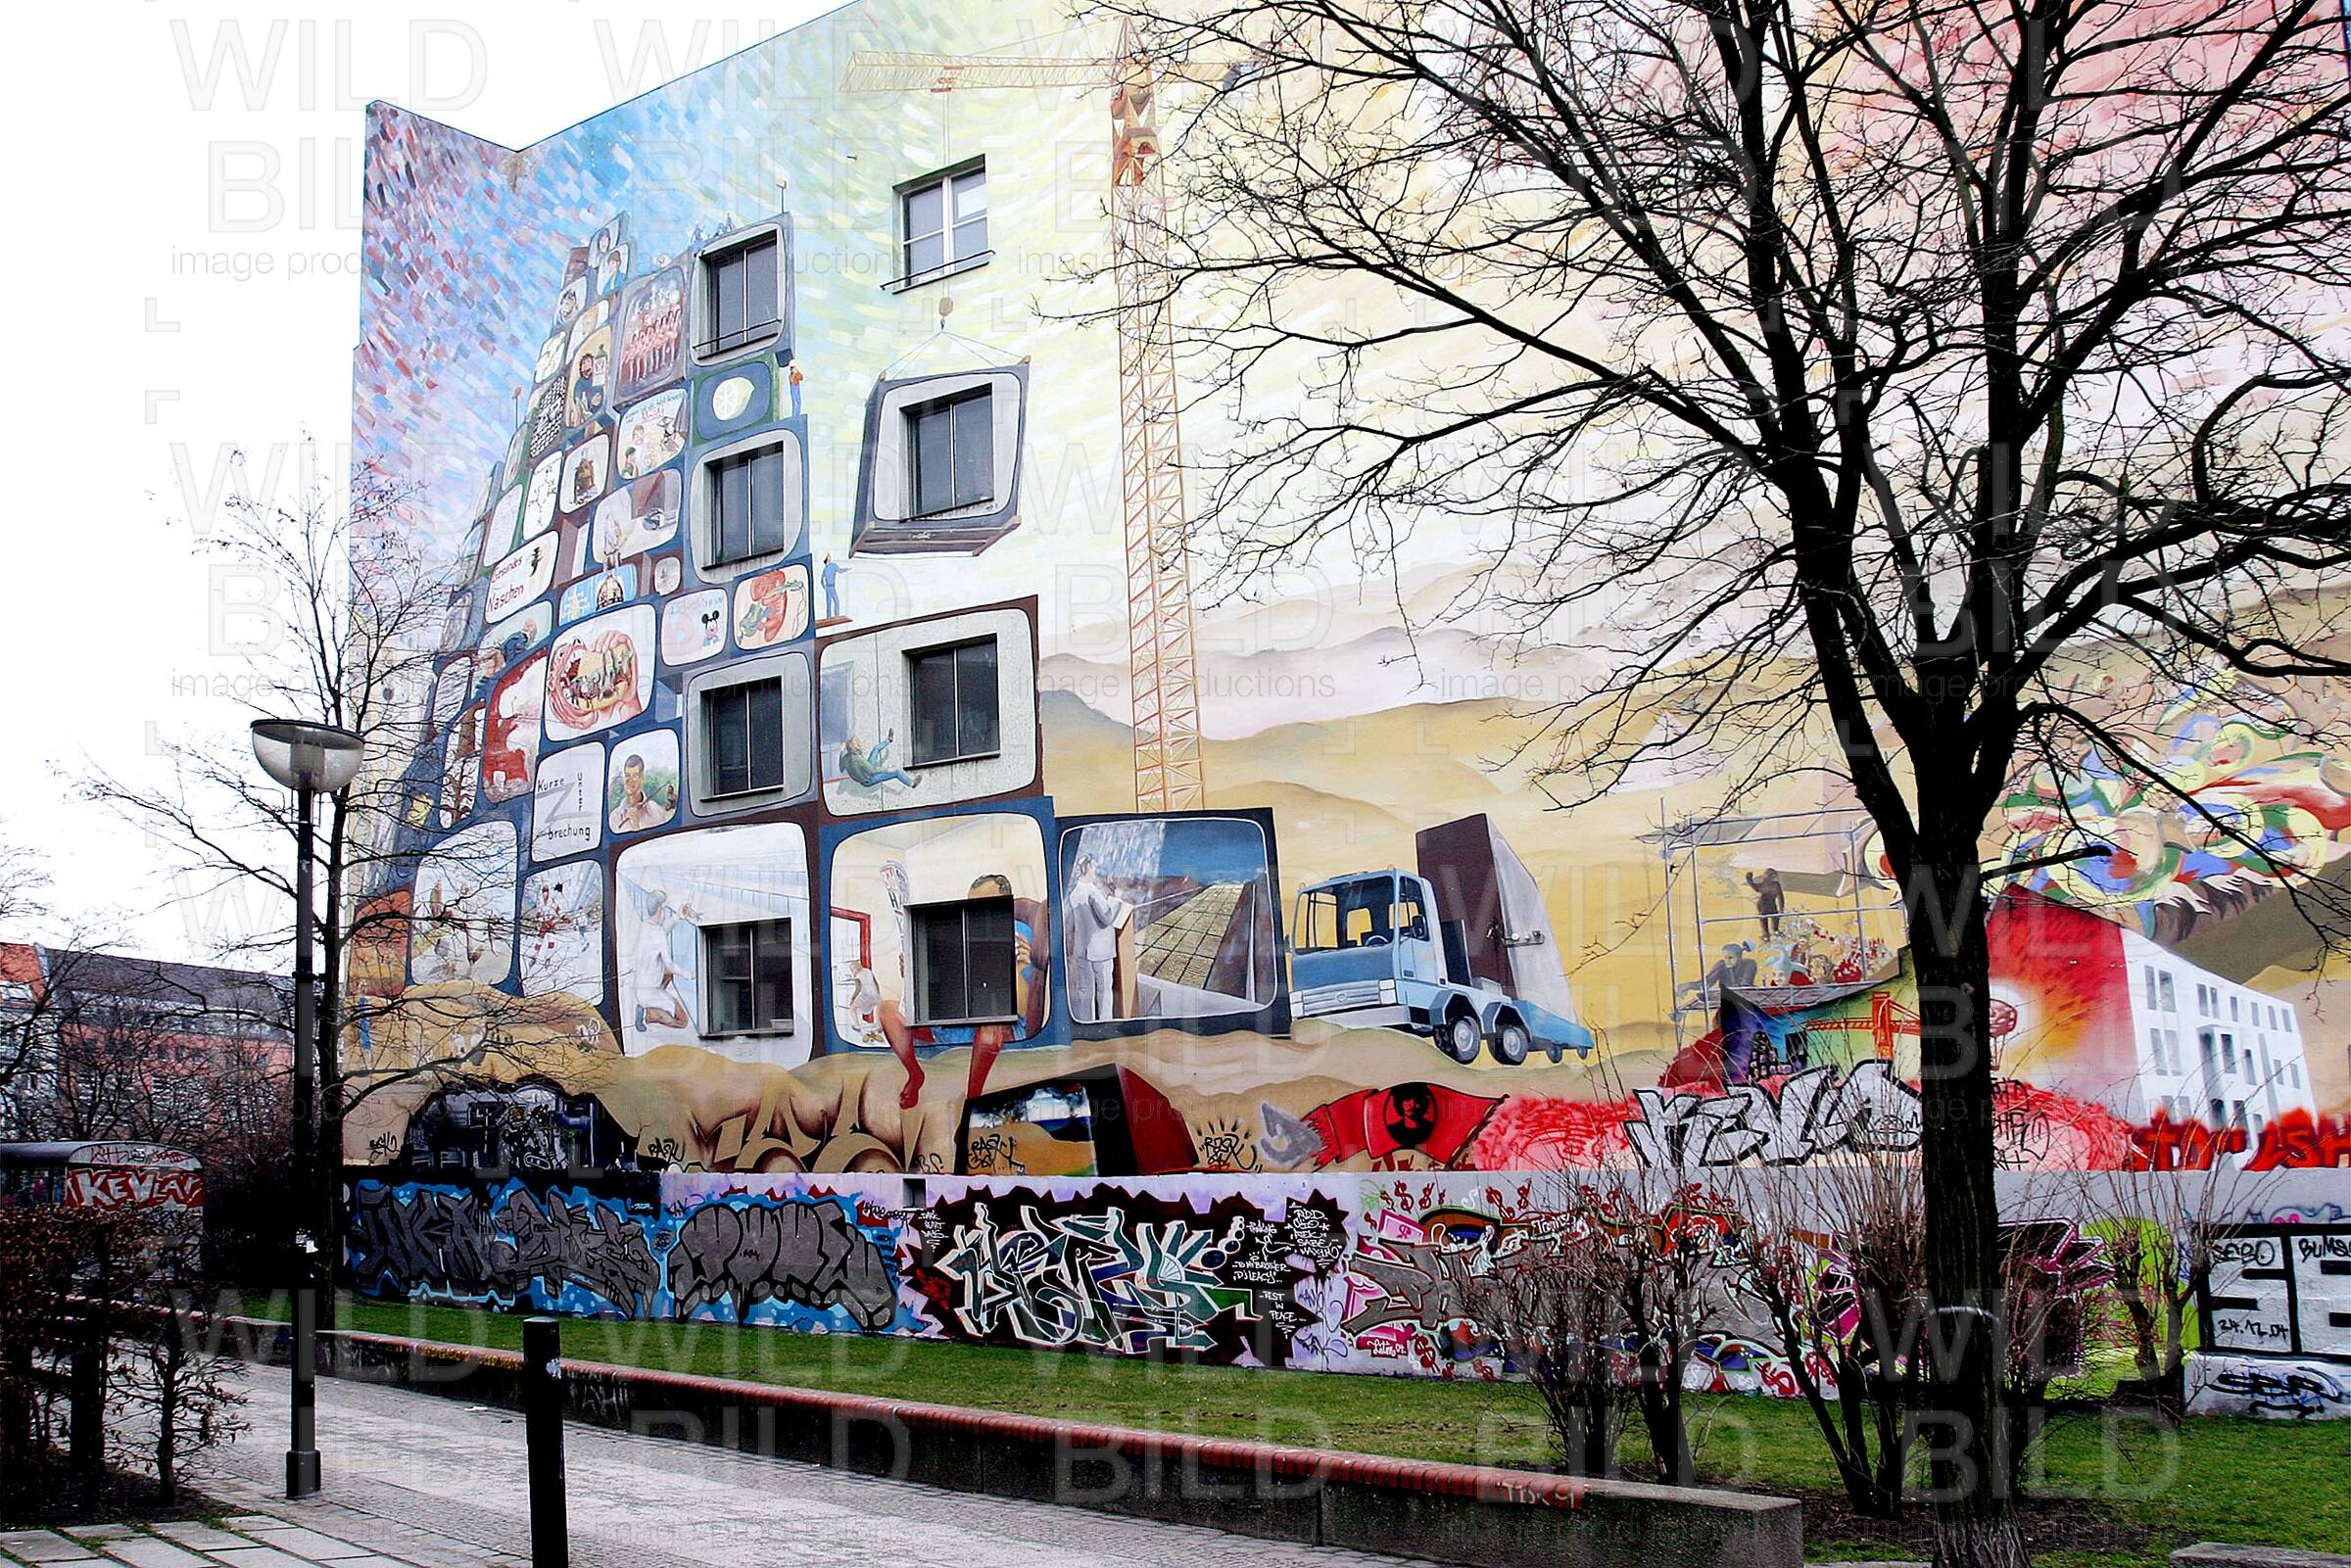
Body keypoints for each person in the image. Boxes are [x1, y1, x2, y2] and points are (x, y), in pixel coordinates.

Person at [1063, 854, 1132, 1022]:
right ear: (1087, 868)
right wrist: (1117, 898)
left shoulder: (1074, 892)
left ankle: (1086, 1021)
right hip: (1100, 951)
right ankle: (1104, 1022)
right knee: (1104, 989)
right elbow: (1107, 918)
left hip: (1082, 948)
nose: (1096, 870)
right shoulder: (1093, 892)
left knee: (1085, 990)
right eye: (1094, 867)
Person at [1678, 942, 1757, 1011]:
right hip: (1727, 1001)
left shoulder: (1749, 964)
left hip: (1745, 1000)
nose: (1727, 961)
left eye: (1731, 958)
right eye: (1725, 958)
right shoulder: (1722, 965)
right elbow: (1708, 982)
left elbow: (1744, 985)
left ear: (1739, 957)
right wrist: (1688, 986)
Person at [840, 730, 918, 790]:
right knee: (896, 772)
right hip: (868, 779)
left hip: (865, 773)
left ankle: (889, 740)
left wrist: (841, 752)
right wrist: (888, 769)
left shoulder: (845, 757)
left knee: (875, 749)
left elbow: (841, 769)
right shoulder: (857, 759)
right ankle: (912, 784)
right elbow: (872, 771)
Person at [610, 752, 670, 832]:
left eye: (634, 775)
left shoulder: (655, 811)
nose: (630, 780)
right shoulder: (614, 817)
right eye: (627, 775)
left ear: (641, 777)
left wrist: (636, 827)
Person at [1746, 867, 1785, 937]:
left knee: (1775, 919)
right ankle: (1766, 934)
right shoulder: (1764, 883)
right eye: (1771, 875)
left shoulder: (1776, 885)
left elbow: (1780, 897)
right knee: (1764, 921)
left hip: (1772, 904)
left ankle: (1775, 931)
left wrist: (1781, 908)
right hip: (1763, 905)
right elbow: (1756, 889)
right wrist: (1750, 880)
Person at [820, 552, 845, 620]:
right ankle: (830, 617)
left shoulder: (833, 566)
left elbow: (840, 570)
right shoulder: (826, 568)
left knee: (833, 602)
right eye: (828, 556)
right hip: (829, 587)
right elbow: (821, 580)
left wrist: (846, 569)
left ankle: (836, 616)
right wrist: (824, 587)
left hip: (831, 587)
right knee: (832, 602)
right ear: (826, 559)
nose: (830, 557)